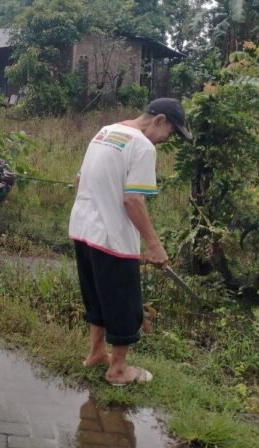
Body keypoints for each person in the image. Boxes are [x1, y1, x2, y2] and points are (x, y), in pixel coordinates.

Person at [69, 98, 191, 386]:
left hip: (83, 229)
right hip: (112, 238)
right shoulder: (143, 146)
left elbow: (79, 180)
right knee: (125, 304)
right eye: (171, 133)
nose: (166, 140)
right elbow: (133, 200)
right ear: (159, 120)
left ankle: (97, 354)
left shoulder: (105, 132)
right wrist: (153, 244)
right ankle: (118, 370)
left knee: (96, 295)